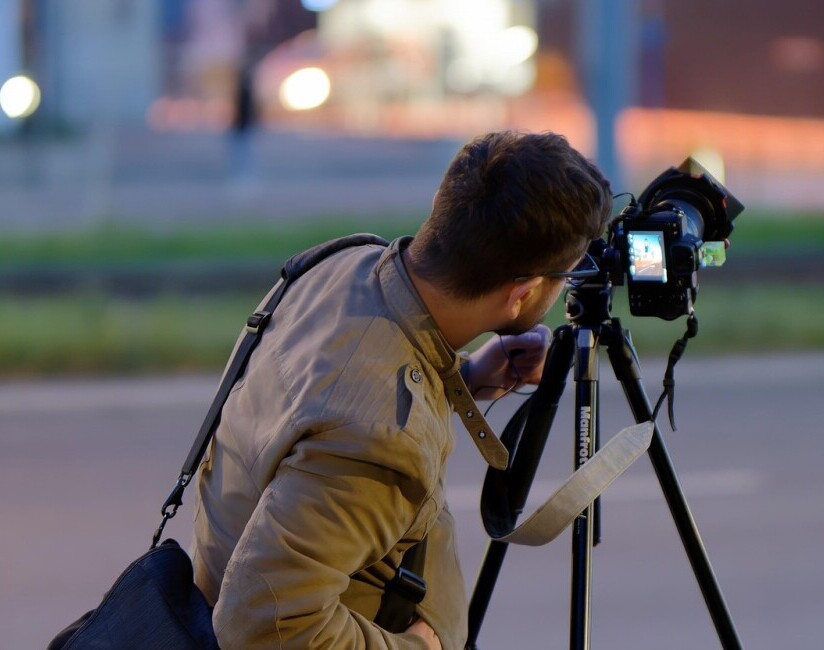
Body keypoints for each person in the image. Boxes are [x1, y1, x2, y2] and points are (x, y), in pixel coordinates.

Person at [191, 130, 612, 649]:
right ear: (521, 294)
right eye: (563, 277)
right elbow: (264, 624)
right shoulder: (377, 441)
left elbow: (331, 391)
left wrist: (463, 375)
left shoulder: (341, 264)